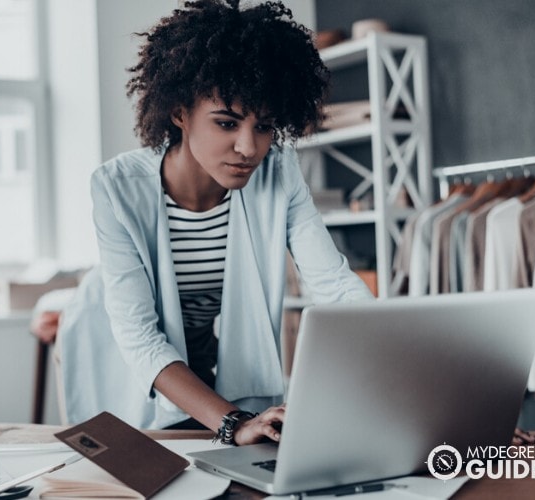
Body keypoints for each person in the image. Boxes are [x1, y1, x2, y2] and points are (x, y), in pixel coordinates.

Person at [54, 0, 374, 445]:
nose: (249, 147)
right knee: (129, 466)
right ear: (180, 112)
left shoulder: (278, 172)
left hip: (199, 346)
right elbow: (141, 337)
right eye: (227, 123)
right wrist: (233, 422)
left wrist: (418, 386)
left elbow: (335, 287)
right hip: (115, 346)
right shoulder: (116, 188)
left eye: (264, 126)